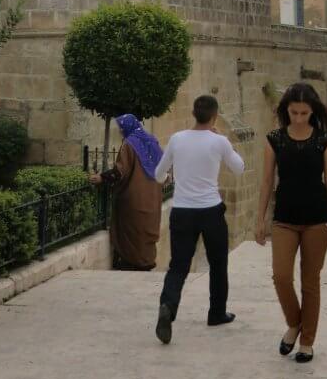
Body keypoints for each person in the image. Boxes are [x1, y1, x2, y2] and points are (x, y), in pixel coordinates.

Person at [255, 82, 327, 363]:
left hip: (317, 219)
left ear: (312, 112)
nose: (300, 118)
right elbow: (267, 180)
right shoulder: (274, 139)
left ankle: (307, 341)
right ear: (286, 111)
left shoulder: (325, 141)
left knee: (310, 282)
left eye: (304, 113)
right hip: (284, 219)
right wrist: (260, 218)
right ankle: (294, 322)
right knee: (281, 276)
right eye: (294, 113)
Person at [153, 95, 245, 345]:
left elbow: (159, 174)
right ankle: (216, 312)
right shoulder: (220, 142)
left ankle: (168, 307)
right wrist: (222, 141)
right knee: (218, 264)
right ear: (214, 116)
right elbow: (239, 168)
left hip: (182, 210)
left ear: (194, 114)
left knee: (178, 265)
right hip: (210, 210)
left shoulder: (176, 139)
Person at [89, 113, 163, 271]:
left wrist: (102, 178)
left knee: (132, 231)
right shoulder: (153, 141)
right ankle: (147, 262)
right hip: (153, 198)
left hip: (134, 199)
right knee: (146, 231)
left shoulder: (129, 144)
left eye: (121, 129)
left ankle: (131, 263)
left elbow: (120, 171)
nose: (121, 132)